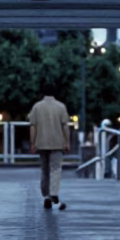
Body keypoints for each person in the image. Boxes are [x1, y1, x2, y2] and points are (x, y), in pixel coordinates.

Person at [28, 83, 71, 211]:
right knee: (55, 168)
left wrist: (33, 143)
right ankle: (53, 193)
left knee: (44, 170)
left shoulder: (37, 107)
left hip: (41, 143)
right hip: (57, 143)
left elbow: (33, 126)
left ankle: (46, 196)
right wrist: (66, 141)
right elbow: (65, 126)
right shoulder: (61, 107)